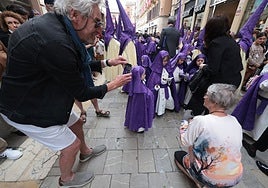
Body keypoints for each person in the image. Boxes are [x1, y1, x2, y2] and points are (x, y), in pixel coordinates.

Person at [0, 0, 131, 187]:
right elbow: (82, 92)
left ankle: (85, 152)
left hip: (41, 94)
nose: (99, 29)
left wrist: (107, 63)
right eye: (96, 22)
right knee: (71, 145)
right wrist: (112, 85)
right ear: (75, 15)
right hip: (26, 108)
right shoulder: (55, 41)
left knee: (76, 121)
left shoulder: (58, 27)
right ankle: (66, 179)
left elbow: (73, 66)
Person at [175, 83, 243, 187]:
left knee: (179, 154)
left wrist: (184, 123)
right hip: (235, 176)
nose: (204, 97)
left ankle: (199, 181)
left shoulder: (201, 120)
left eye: (207, 94)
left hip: (212, 178)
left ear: (214, 101)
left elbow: (185, 141)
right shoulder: (234, 121)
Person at [186, 15, 243, 116]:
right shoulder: (231, 41)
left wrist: (203, 66)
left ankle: (198, 119)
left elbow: (212, 69)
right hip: (232, 81)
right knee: (217, 108)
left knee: (208, 105)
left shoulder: (217, 43)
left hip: (220, 83)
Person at [124, 66, 154, 133]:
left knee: (133, 111)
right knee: (139, 114)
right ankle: (138, 126)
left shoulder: (134, 85)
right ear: (139, 76)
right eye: (143, 74)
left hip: (136, 103)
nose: (145, 75)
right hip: (140, 107)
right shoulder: (140, 91)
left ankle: (131, 123)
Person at [147, 50, 174, 116]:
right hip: (160, 90)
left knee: (167, 100)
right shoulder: (155, 71)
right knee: (160, 101)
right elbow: (152, 82)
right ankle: (159, 111)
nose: (166, 63)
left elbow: (170, 76)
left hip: (166, 88)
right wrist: (157, 85)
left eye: (167, 61)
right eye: (164, 61)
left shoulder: (168, 68)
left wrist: (169, 80)